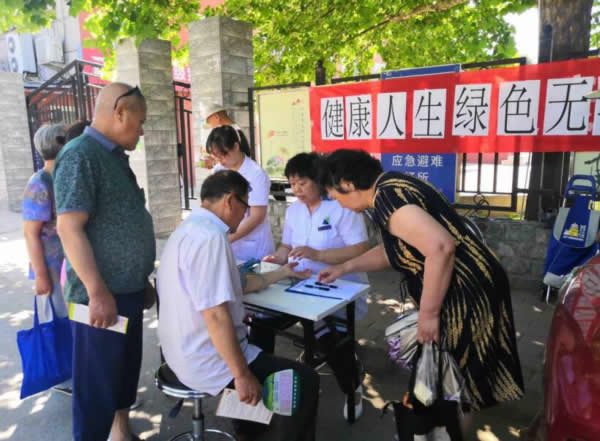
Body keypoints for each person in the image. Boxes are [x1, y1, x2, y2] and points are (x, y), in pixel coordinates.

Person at [318, 149, 524, 414]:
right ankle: (441, 424)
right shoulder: (392, 185)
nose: (340, 205)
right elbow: (394, 249)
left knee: (452, 380)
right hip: (470, 282)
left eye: (336, 197)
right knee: (450, 378)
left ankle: (441, 426)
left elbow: (440, 247)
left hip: (465, 289)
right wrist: (345, 267)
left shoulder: (387, 197)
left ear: (347, 184)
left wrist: (429, 313)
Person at [157, 170, 319, 441]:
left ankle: (248, 430)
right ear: (230, 200)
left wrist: (283, 272)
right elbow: (216, 315)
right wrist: (241, 374)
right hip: (206, 360)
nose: (245, 216)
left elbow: (239, 283)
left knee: (262, 358)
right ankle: (263, 431)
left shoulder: (188, 229)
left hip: (179, 351)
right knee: (303, 380)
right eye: (245, 207)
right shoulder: (211, 238)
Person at [54, 83, 156, 441]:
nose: (141, 131)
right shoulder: (80, 155)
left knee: (124, 374)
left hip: (127, 292)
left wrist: (141, 279)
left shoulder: (114, 157)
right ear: (120, 111)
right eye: (140, 122)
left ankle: (120, 433)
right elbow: (69, 228)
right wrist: (97, 292)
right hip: (99, 300)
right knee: (96, 389)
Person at [254, 152, 370, 420]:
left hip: (338, 287)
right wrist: (277, 259)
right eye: (292, 184)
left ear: (318, 180)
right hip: (299, 284)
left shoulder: (341, 207)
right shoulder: (294, 210)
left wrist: (317, 255)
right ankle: (260, 382)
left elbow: (360, 249)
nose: (297, 189)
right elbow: (286, 246)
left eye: (302, 182)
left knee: (330, 338)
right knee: (260, 321)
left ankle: (353, 388)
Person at [206, 125, 275, 261]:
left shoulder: (256, 174)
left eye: (224, 155)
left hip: (252, 248)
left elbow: (256, 216)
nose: (221, 161)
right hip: (228, 244)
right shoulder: (217, 171)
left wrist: (228, 238)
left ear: (236, 147)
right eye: (217, 157)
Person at [22, 124, 68, 322]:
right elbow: (30, 233)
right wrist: (41, 275)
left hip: (69, 264)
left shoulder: (63, 177)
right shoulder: (39, 183)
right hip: (52, 268)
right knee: (59, 320)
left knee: (75, 319)